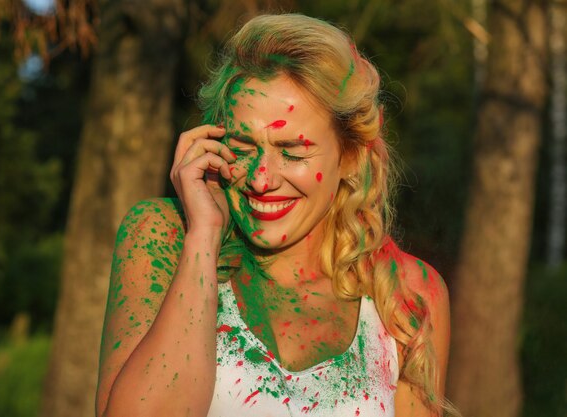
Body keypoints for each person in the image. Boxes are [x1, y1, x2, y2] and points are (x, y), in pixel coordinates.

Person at [95, 13, 455, 417]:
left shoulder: (409, 294)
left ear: (351, 156)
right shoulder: (163, 236)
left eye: (293, 151)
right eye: (243, 147)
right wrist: (203, 237)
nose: (261, 180)